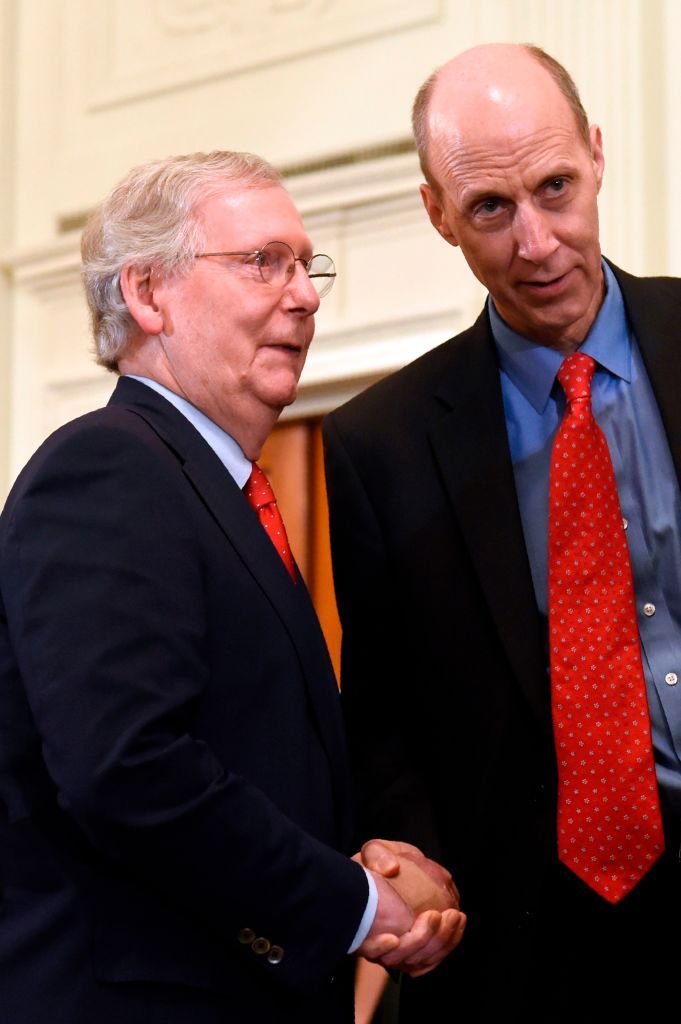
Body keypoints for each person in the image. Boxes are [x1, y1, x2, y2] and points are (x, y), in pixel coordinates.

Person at [0, 151, 465, 1024]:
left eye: (305, 264)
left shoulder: (215, 491)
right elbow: (129, 771)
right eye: (263, 261)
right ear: (147, 293)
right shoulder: (107, 468)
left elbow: (252, 762)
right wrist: (355, 904)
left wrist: (364, 861)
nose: (306, 294)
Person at [323, 44, 681, 1021]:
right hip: (529, 952)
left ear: (597, 156)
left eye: (555, 188)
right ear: (439, 212)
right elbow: (385, 723)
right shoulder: (379, 447)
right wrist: (413, 866)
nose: (536, 241)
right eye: (491, 208)